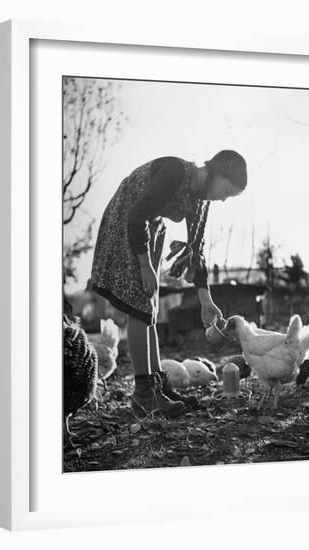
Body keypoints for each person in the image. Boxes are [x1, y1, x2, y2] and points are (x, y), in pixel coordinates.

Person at [91, 150, 247, 418]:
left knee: (149, 307)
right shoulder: (176, 172)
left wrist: (206, 299)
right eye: (227, 190)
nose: (223, 198)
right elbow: (137, 214)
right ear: (218, 172)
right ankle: (143, 394)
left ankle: (156, 384)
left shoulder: (200, 201)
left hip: (149, 230)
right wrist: (143, 264)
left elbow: (195, 251)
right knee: (140, 306)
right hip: (128, 221)